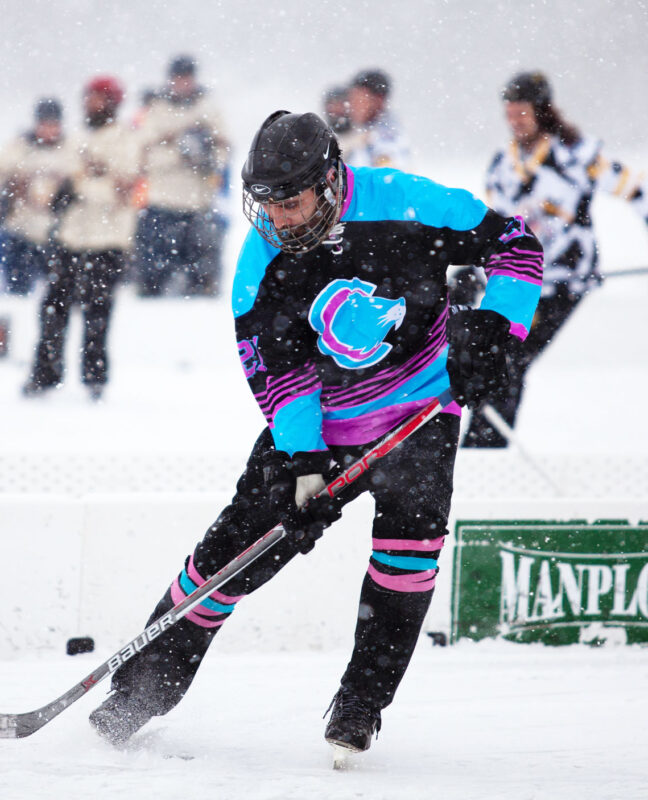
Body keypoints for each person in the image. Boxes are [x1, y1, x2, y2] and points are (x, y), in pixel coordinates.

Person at [88, 110, 543, 754]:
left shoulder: (408, 204)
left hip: (421, 414)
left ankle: (360, 706)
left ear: (330, 179)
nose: (278, 220)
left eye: (292, 203)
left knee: (406, 562)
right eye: (265, 205)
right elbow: (280, 373)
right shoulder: (262, 261)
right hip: (323, 427)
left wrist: (495, 328)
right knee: (228, 561)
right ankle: (142, 691)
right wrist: (302, 459)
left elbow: (517, 246)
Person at [453, 70, 648, 447]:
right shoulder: (502, 165)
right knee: (487, 355)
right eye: (509, 114)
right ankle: (479, 444)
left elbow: (637, 191)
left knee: (508, 358)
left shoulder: (579, 156)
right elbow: (498, 231)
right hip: (519, 279)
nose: (515, 121)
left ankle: (485, 449)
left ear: (542, 110)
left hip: (563, 283)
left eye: (522, 113)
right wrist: (473, 271)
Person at [23, 76, 139, 402]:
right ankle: (45, 374)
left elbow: (122, 189)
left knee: (97, 313)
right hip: (71, 238)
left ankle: (94, 377)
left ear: (112, 104)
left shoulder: (124, 140)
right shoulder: (76, 139)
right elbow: (65, 178)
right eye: (88, 98)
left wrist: (79, 189)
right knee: (52, 309)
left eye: (97, 99)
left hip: (107, 240)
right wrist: (58, 194)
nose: (89, 105)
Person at [132, 54, 230, 297]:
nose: (182, 83)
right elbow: (141, 154)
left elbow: (224, 149)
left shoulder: (208, 108)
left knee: (202, 277)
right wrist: (178, 154)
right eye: (178, 78)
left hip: (198, 203)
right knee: (152, 276)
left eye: (186, 78)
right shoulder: (156, 110)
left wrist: (205, 157)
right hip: (161, 202)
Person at [0, 98, 75, 294]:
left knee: (56, 290)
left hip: (56, 231)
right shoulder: (19, 149)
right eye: (45, 124)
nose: (48, 130)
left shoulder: (70, 150)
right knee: (17, 287)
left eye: (53, 124)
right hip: (21, 227)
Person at [339, 69, 411, 170]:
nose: (351, 105)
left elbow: (387, 176)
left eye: (358, 98)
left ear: (378, 100)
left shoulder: (386, 135)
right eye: (351, 98)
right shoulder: (365, 131)